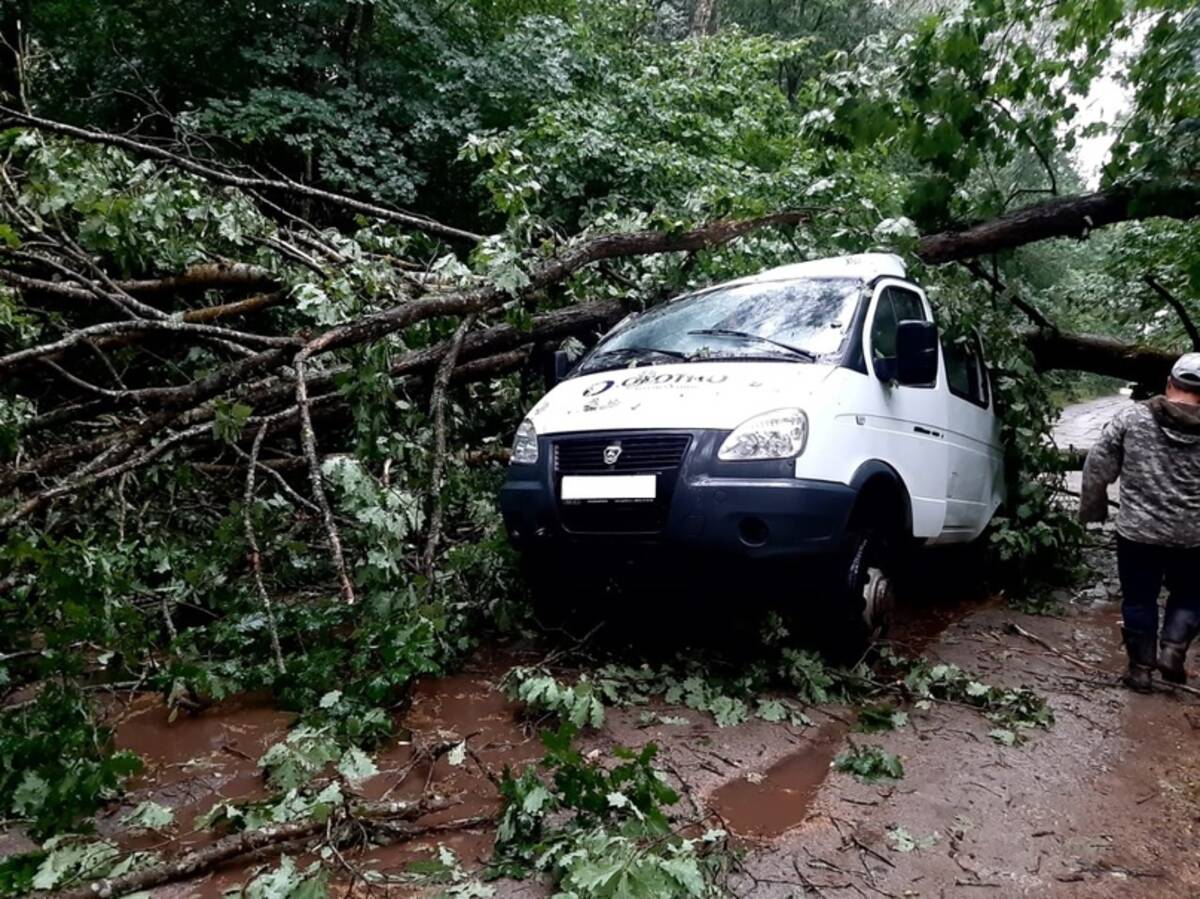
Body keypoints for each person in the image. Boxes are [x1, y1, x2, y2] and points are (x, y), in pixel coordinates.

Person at [1080, 353, 1200, 692]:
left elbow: (1097, 464)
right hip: (1194, 536)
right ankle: (1174, 649)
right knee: (1191, 596)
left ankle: (1141, 671)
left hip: (1138, 533)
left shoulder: (1132, 418)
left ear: (1169, 383)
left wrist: (1093, 510)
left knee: (1138, 598)